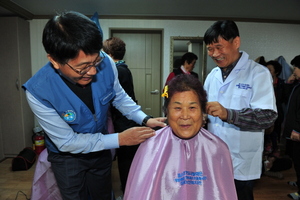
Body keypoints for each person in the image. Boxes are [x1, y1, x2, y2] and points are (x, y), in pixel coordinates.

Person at [22, 11, 166, 200]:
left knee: (104, 195)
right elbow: (67, 142)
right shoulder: (38, 90)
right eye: (82, 68)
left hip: (100, 151)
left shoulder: (106, 63)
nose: (92, 71)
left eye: (95, 61)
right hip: (67, 158)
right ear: (55, 61)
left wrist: (144, 118)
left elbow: (119, 97)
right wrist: (120, 139)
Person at [124, 74, 238, 200]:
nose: (185, 116)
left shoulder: (217, 149)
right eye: (177, 108)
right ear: (166, 111)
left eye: (192, 108)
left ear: (203, 111)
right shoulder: (150, 147)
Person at [203, 20, 277, 200]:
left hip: (241, 159)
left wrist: (229, 114)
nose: (215, 54)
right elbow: (204, 110)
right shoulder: (212, 75)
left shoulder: (258, 73)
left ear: (236, 42)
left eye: (219, 47)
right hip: (213, 156)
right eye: (210, 49)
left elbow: (267, 117)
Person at [102, 37, 140, 196]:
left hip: (123, 121)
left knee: (126, 161)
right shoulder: (124, 68)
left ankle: (127, 191)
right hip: (124, 119)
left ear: (109, 54)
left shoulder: (117, 70)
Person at [282, 55, 300, 200]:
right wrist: (289, 82)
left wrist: (298, 130)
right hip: (294, 132)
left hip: (298, 132)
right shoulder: (297, 85)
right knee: (296, 160)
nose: (294, 71)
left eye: (296, 68)